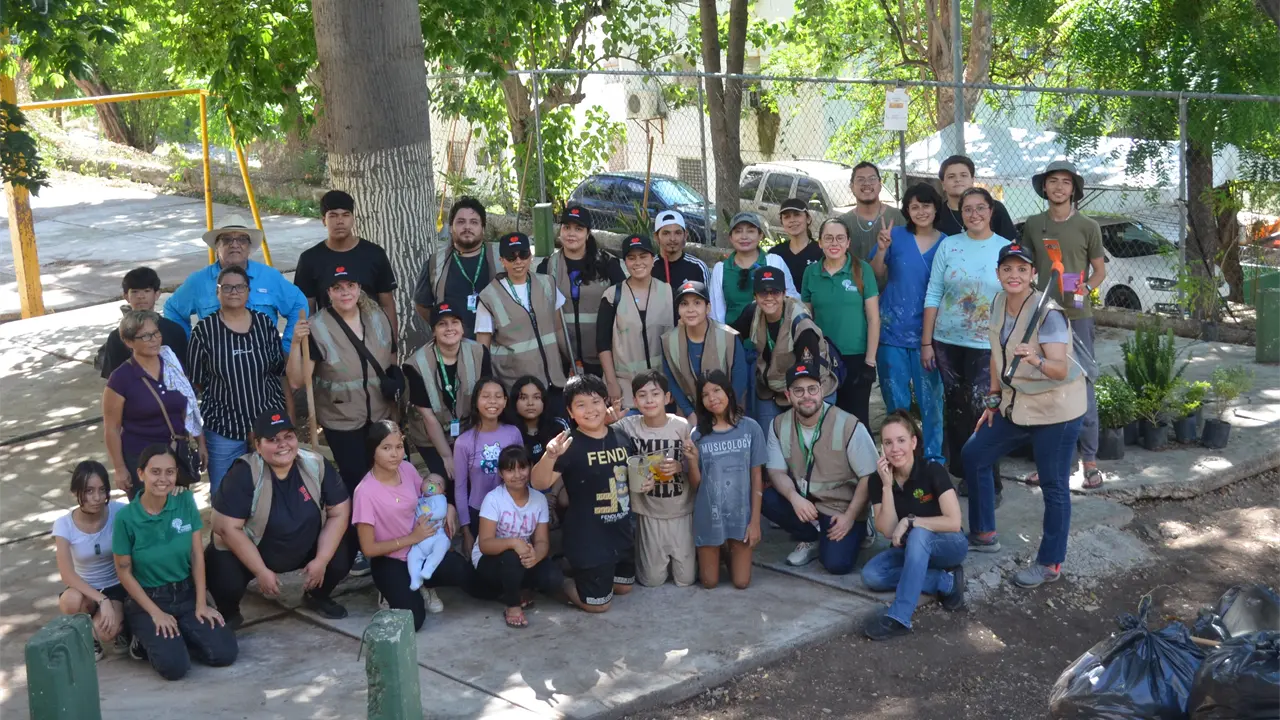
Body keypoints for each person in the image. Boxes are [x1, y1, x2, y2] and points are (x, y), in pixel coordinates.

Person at [961, 243, 1086, 584]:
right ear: (998, 273)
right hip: (1016, 405)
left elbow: (1060, 369)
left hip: (1056, 411)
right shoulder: (998, 303)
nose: (1013, 275)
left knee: (1053, 485)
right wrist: (993, 400)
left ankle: (1050, 563)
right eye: (1007, 268)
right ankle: (984, 533)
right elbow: (996, 355)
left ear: (1033, 274)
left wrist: (1036, 359)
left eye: (1021, 269)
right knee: (974, 454)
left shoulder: (1049, 314)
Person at [204, 409, 354, 627]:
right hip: (255, 550)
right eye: (273, 439)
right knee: (225, 576)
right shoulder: (244, 472)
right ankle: (229, 612)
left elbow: (340, 511)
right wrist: (260, 571)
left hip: (303, 544)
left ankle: (317, 595)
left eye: (288, 437)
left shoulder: (315, 463)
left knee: (342, 550)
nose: (283, 444)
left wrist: (322, 560)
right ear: (258, 445)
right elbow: (226, 527)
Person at [113, 445, 237, 680]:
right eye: (155, 472)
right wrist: (156, 613)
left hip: (185, 593)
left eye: (169, 472)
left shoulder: (185, 501)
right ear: (141, 474)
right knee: (174, 668)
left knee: (225, 653)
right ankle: (139, 637)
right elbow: (124, 573)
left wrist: (201, 604)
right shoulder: (126, 518)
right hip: (149, 599)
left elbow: (196, 555)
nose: (163, 479)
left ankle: (179, 634)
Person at [1022, 160, 1106, 489]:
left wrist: (1085, 288)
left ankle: (1090, 463)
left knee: (1083, 383)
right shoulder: (1033, 224)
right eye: (1053, 181)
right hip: (1044, 315)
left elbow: (1099, 271)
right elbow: (1025, 267)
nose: (1059, 187)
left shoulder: (1088, 226)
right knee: (1047, 383)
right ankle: (1052, 464)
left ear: (1074, 189)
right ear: (1044, 187)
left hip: (1077, 316)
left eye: (1065, 182)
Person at [923, 187, 1009, 501]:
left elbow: (1017, 293)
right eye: (968, 209)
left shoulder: (1005, 248)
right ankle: (966, 474)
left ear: (991, 211)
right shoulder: (949, 245)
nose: (974, 214)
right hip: (947, 342)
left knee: (985, 410)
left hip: (987, 344)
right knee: (957, 410)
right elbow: (934, 292)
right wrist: (926, 342)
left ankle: (990, 481)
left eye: (980, 208)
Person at [286, 264, 398, 497]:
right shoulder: (317, 327)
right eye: (337, 288)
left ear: (359, 288)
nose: (345, 292)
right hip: (342, 419)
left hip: (381, 414)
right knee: (357, 481)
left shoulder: (377, 317)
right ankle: (358, 520)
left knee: (387, 474)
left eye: (350, 286)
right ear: (328, 292)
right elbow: (297, 381)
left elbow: (390, 355)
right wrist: (296, 343)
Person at [352, 420, 474, 631]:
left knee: (461, 570)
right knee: (414, 620)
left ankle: (425, 582)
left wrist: (450, 508)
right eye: (386, 448)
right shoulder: (364, 492)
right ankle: (389, 590)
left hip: (422, 547)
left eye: (399, 447)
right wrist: (412, 538)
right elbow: (368, 548)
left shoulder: (407, 469)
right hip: (390, 559)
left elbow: (429, 495)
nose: (395, 454)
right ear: (373, 450)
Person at [860, 411, 967, 640]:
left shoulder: (931, 470)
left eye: (901, 440)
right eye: (888, 443)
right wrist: (887, 486)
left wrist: (911, 521)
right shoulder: (877, 480)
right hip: (910, 550)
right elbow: (888, 530)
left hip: (948, 545)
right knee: (872, 575)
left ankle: (900, 616)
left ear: (913, 442)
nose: (895, 449)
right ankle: (945, 581)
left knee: (919, 533)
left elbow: (954, 522)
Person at [760, 364, 878, 573]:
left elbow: (869, 475)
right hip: (806, 504)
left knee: (836, 564)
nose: (806, 396)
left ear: (822, 390)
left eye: (812, 389)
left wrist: (850, 516)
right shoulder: (779, 424)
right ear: (788, 395)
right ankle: (811, 537)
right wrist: (794, 498)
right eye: (798, 390)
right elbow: (776, 471)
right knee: (766, 498)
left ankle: (862, 525)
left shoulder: (848, 424)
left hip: (841, 507)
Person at [533, 374, 635, 613]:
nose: (590, 410)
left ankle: (581, 570)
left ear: (605, 402)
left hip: (620, 531)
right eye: (581, 405)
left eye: (596, 401)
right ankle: (556, 579)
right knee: (599, 606)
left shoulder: (621, 436)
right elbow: (538, 483)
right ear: (570, 411)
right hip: (588, 538)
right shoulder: (568, 443)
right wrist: (550, 455)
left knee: (623, 588)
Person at [190, 265, 289, 494]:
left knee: (271, 491)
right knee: (225, 492)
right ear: (217, 292)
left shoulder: (264, 324)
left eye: (240, 287)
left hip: (267, 425)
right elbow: (197, 381)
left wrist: (287, 416)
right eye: (227, 287)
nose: (233, 291)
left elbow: (278, 371)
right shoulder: (204, 331)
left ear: (248, 291)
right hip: (224, 428)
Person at [868, 183, 947, 466]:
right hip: (891, 333)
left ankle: (934, 460)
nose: (921, 211)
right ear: (907, 211)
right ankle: (900, 460)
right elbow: (876, 274)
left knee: (931, 402)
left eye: (926, 206)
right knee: (896, 403)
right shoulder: (896, 236)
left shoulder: (947, 243)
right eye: (914, 207)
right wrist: (881, 249)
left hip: (930, 336)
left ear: (936, 208)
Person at [165, 216, 307, 353]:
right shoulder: (199, 281)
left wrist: (288, 346)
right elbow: (172, 309)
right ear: (216, 246)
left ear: (249, 246)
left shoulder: (269, 277)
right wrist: (189, 347)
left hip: (267, 361)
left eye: (242, 239)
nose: (234, 244)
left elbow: (298, 304)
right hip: (217, 363)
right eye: (226, 239)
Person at [104, 310, 206, 498]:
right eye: (145, 336)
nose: (154, 340)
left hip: (175, 456)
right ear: (129, 342)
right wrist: (120, 469)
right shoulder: (120, 379)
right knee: (149, 513)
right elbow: (112, 428)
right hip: (141, 460)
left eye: (156, 333)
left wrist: (201, 443)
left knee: (178, 511)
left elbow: (189, 406)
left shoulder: (172, 364)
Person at [613, 370, 695, 587]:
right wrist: (609, 418)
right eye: (642, 395)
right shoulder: (627, 425)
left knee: (686, 579)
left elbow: (695, 462)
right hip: (648, 513)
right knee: (651, 580)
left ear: (667, 398)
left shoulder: (681, 426)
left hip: (681, 510)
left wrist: (680, 466)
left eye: (655, 394)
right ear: (634, 401)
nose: (649, 400)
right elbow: (601, 433)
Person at [476, 232, 571, 418]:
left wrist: (573, 362)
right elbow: (482, 349)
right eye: (511, 257)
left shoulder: (547, 284)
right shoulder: (488, 296)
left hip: (553, 381)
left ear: (531, 256)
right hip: (515, 386)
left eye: (523, 255)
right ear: (502, 260)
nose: (518, 261)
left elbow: (559, 329)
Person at [731, 267, 836, 433]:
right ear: (755, 296)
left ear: (784, 293)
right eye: (763, 293)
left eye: (775, 292)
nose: (769, 298)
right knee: (769, 437)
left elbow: (809, 373)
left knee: (806, 438)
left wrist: (796, 402)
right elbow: (730, 337)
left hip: (809, 388)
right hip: (771, 388)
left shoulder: (802, 324)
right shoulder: (753, 312)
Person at [689, 370, 766, 589]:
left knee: (741, 582)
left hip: (741, 517)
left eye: (716, 390)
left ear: (729, 392)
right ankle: (720, 548)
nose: (712, 398)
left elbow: (757, 477)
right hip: (709, 517)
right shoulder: (697, 434)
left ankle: (728, 547)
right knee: (709, 582)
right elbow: (697, 486)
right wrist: (692, 461)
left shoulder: (751, 428)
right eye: (705, 395)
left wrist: (755, 523)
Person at [473, 446, 564, 628]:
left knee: (552, 577)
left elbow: (542, 541)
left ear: (531, 468)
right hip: (490, 560)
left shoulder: (539, 499)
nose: (517, 475)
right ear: (501, 473)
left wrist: (535, 556)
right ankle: (512, 606)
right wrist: (514, 542)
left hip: (522, 557)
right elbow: (485, 544)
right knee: (511, 557)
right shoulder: (493, 499)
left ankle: (518, 588)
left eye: (522, 468)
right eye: (510, 470)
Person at [802, 217, 880, 427]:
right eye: (828, 238)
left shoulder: (862, 270)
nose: (834, 243)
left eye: (840, 238)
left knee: (857, 422)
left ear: (848, 242)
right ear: (820, 242)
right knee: (827, 421)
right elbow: (806, 319)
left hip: (856, 357)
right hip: (824, 358)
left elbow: (873, 318)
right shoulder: (811, 273)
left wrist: (870, 362)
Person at [404, 302, 492, 487]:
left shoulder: (479, 352)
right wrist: (447, 456)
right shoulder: (415, 365)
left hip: (468, 429)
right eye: (442, 324)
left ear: (462, 328)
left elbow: (486, 400)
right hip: (431, 435)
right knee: (448, 481)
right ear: (433, 331)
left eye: (455, 322)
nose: (450, 328)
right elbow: (428, 416)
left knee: (478, 476)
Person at [293, 190, 399, 336]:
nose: (340, 221)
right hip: (329, 340)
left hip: (373, 339)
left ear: (353, 219)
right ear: (324, 220)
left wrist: (392, 344)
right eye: (333, 216)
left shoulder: (374, 254)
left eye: (345, 215)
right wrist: (311, 345)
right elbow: (307, 310)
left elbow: (387, 304)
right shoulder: (309, 259)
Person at [536, 204, 625, 377]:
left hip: (603, 358)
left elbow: (624, 304)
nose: (571, 234)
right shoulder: (547, 266)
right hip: (562, 359)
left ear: (588, 233)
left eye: (578, 229)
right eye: (566, 227)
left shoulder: (607, 263)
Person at [53, 461, 127, 661]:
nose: (97, 498)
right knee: (69, 601)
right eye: (89, 491)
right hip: (85, 588)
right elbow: (67, 575)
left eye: (102, 490)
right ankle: (90, 633)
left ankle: (120, 626)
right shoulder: (64, 525)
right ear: (75, 492)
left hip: (116, 586)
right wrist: (101, 600)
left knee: (106, 632)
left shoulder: (120, 512)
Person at [598, 234, 674, 409]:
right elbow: (602, 343)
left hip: (661, 389)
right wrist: (611, 383)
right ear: (625, 262)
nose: (638, 262)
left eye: (643, 256)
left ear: (653, 259)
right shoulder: (612, 296)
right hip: (625, 390)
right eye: (631, 258)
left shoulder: (668, 292)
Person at [453, 377, 524, 559]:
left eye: (498, 396)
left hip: (512, 510)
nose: (493, 401)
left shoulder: (513, 433)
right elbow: (460, 488)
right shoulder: (463, 442)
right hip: (478, 512)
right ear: (476, 401)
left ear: (505, 401)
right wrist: (466, 530)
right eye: (486, 396)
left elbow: (524, 475)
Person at [413, 197, 502, 338]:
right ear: (450, 228)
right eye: (461, 222)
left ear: (483, 228)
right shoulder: (435, 263)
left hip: (496, 343)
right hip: (454, 346)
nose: (467, 227)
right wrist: (444, 327)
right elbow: (422, 305)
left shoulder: (501, 259)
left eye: (474, 222)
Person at [661, 280, 749, 418]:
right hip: (689, 415)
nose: (690, 310)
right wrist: (689, 413)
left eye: (697, 303)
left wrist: (727, 411)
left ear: (708, 308)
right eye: (684, 304)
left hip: (727, 412)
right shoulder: (668, 341)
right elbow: (672, 380)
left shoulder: (729, 336)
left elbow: (740, 379)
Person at [97, 267, 188, 379]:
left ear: (157, 294)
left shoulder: (175, 331)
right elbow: (113, 381)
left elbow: (185, 372)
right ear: (126, 296)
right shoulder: (116, 338)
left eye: (147, 291)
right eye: (135, 292)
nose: (141, 296)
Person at [708, 211, 797, 325]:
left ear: (760, 235)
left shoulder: (774, 262)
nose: (744, 237)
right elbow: (716, 313)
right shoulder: (721, 269)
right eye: (738, 231)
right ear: (731, 237)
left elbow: (791, 300)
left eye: (750, 231)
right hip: (733, 334)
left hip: (770, 333)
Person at [934, 155, 1019, 240]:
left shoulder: (994, 208)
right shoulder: (936, 214)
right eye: (951, 176)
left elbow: (1010, 243)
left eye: (963, 175)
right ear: (943, 184)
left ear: (972, 180)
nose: (958, 180)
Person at [835, 162, 906, 261]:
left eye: (872, 179)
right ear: (852, 186)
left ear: (880, 184)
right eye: (860, 180)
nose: (867, 184)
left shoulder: (898, 216)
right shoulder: (842, 223)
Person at [650, 210, 710, 314]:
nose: (672, 239)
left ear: (685, 235)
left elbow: (708, 307)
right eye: (666, 233)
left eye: (678, 233)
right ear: (656, 237)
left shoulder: (698, 267)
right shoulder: (649, 267)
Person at [506, 375, 569, 466]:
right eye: (523, 398)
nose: (530, 403)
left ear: (544, 400)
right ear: (514, 402)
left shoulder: (558, 426)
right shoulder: (508, 431)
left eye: (536, 397)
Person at [769, 198, 824, 295]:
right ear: (782, 222)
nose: (792, 220)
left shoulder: (821, 251)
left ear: (808, 219)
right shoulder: (775, 254)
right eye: (787, 217)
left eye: (797, 215)